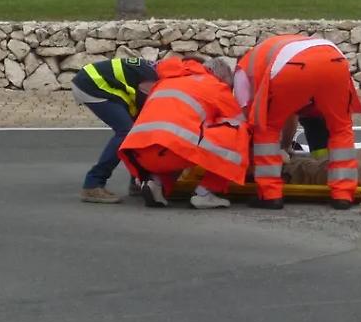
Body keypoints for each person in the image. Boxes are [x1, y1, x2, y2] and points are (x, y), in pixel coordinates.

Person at [235, 34, 361, 211]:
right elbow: (290, 115)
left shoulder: (243, 69)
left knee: (266, 128)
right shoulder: (274, 49)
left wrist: (246, 156)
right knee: (341, 128)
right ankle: (343, 194)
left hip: (292, 67)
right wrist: (286, 146)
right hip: (334, 59)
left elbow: (245, 120)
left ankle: (270, 194)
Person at [120, 56, 250, 209]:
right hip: (174, 150)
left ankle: (155, 182)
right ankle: (205, 193)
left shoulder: (165, 81)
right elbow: (239, 121)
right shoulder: (215, 86)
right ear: (221, 78)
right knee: (239, 131)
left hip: (139, 153)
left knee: (178, 137)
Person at [73, 55, 160, 203]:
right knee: (126, 132)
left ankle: (138, 182)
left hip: (92, 81)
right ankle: (92, 185)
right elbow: (145, 104)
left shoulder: (154, 69)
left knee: (136, 131)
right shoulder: (153, 77)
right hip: (92, 85)